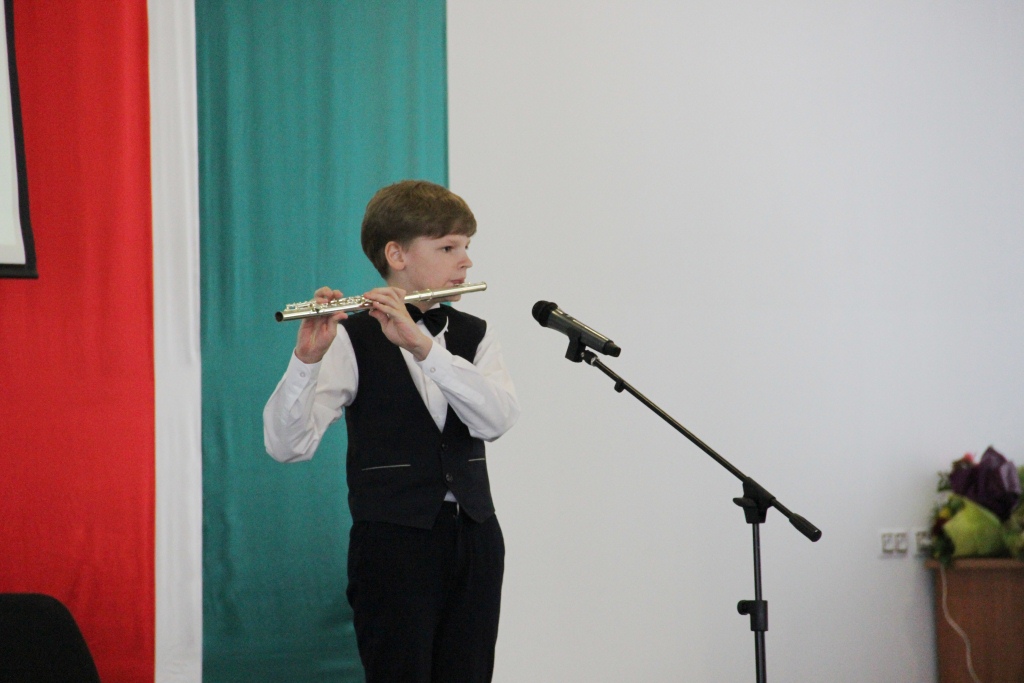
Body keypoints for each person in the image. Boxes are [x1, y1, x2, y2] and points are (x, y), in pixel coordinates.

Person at [263, 179, 520, 683]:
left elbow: (497, 419)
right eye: (448, 248)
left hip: (476, 538)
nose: (466, 261)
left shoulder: (475, 335)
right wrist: (305, 361)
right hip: (394, 544)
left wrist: (425, 349)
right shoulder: (350, 337)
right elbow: (287, 446)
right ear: (396, 255)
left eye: (466, 246)